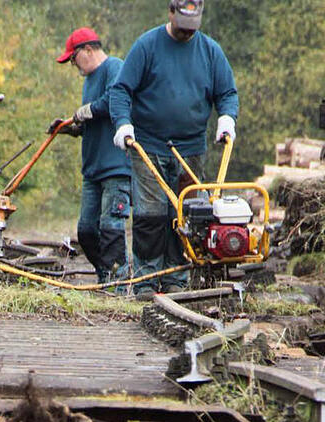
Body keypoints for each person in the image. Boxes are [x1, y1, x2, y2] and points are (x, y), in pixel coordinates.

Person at [109, 0, 238, 299]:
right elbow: (121, 89)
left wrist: (227, 118)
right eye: (181, 28)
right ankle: (146, 278)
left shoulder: (210, 52)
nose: (186, 34)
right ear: (170, 13)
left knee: (189, 214)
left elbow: (227, 92)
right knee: (151, 214)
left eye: (191, 29)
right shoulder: (147, 46)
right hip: (149, 145)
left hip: (191, 147)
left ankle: (177, 278)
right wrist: (123, 124)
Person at [49, 27, 131, 285]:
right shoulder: (88, 81)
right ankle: (105, 274)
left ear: (87, 50)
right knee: (86, 231)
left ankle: (118, 283)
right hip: (92, 169)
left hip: (116, 167)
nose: (73, 65)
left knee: (111, 229)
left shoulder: (114, 68)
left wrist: (88, 110)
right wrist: (70, 128)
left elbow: (113, 101)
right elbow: (89, 123)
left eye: (73, 59)